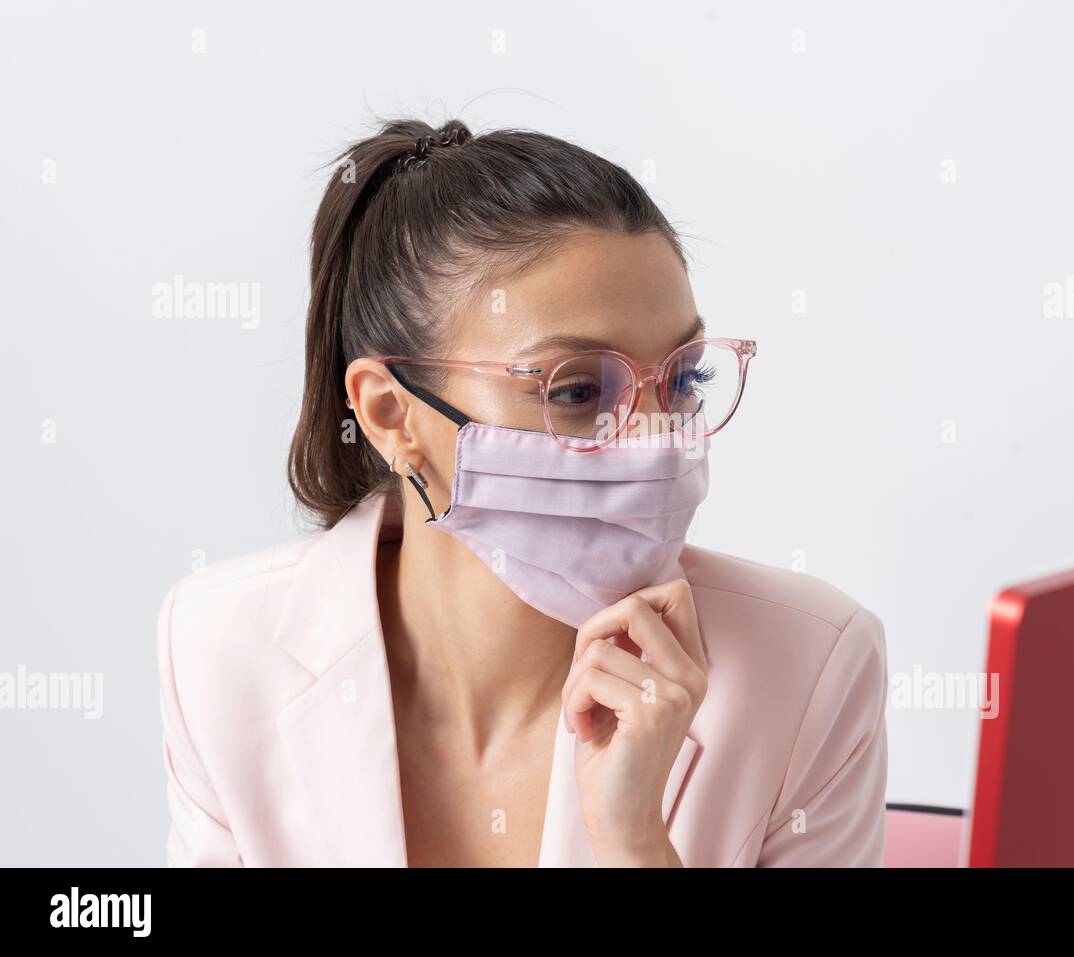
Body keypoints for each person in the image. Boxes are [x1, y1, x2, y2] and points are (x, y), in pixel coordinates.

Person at [156, 118, 888, 867]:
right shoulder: (222, 650)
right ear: (390, 414)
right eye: (576, 389)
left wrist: (634, 839)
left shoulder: (807, 671)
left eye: (682, 379)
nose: (653, 435)